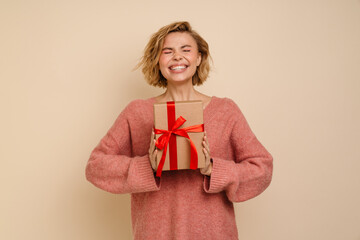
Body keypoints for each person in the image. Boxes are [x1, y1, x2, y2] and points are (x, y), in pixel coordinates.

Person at [85, 21, 273, 240]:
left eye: (186, 50)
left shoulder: (226, 111)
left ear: (199, 58)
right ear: (157, 60)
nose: (177, 57)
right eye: (167, 51)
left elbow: (262, 169)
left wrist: (213, 169)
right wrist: (148, 166)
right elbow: (95, 167)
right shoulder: (137, 112)